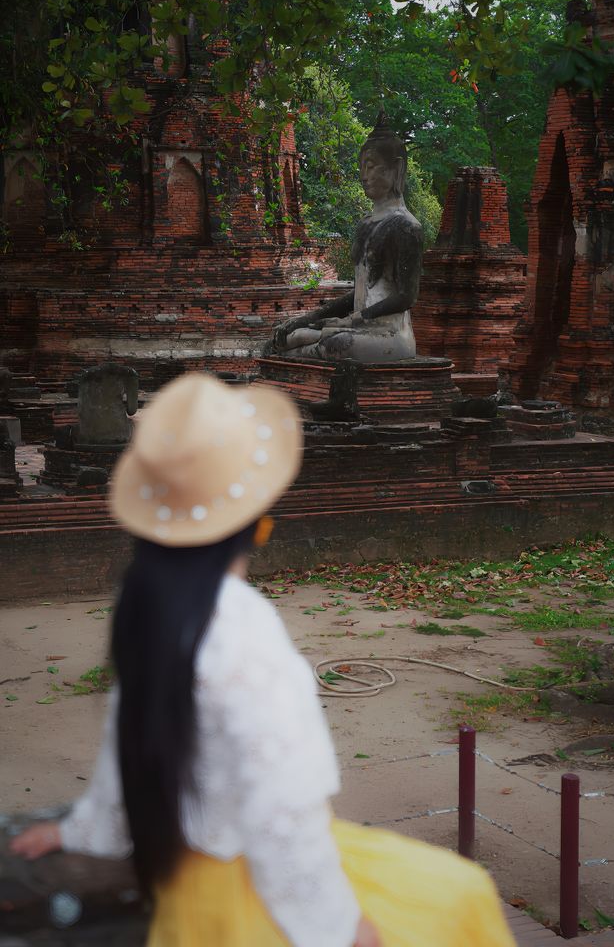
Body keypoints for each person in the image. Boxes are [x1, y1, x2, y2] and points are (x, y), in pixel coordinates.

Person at [12, 373, 515, 947]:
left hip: (186, 890)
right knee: (463, 896)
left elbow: (132, 748)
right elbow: (281, 813)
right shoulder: (243, 631)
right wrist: (338, 927)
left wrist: (85, 829)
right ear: (255, 524)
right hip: (248, 892)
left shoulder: (146, 603)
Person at [272, 112, 424, 363]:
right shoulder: (365, 224)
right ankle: (308, 343)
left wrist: (355, 319)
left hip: (388, 334)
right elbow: (361, 290)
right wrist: (309, 318)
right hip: (357, 326)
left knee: (336, 344)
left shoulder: (406, 226)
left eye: (371, 166)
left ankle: (312, 347)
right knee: (284, 339)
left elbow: (407, 297)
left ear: (397, 168)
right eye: (362, 166)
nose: (364, 175)